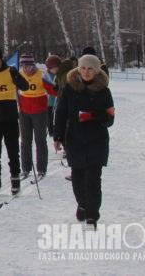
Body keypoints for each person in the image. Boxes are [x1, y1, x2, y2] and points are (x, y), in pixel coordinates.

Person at [52, 54, 114, 228]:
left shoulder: (103, 91)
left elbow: (110, 119)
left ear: (96, 71)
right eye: (83, 68)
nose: (86, 72)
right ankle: (82, 204)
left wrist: (94, 115)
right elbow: (61, 113)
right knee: (78, 178)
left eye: (90, 69)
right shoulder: (70, 88)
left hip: (97, 141)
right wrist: (57, 136)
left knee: (93, 180)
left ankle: (92, 215)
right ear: (78, 69)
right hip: (74, 139)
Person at [0, 46, 28, 196]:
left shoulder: (10, 71)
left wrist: (17, 77)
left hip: (10, 117)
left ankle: (15, 178)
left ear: (0, 58)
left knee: (13, 151)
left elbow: (25, 87)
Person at [17, 53, 53, 180]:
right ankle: (25, 169)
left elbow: (53, 90)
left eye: (29, 66)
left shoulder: (41, 74)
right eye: (23, 65)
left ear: (33, 65)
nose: (26, 68)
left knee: (40, 140)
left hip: (40, 112)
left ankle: (41, 169)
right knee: (25, 141)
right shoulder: (19, 74)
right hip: (24, 111)